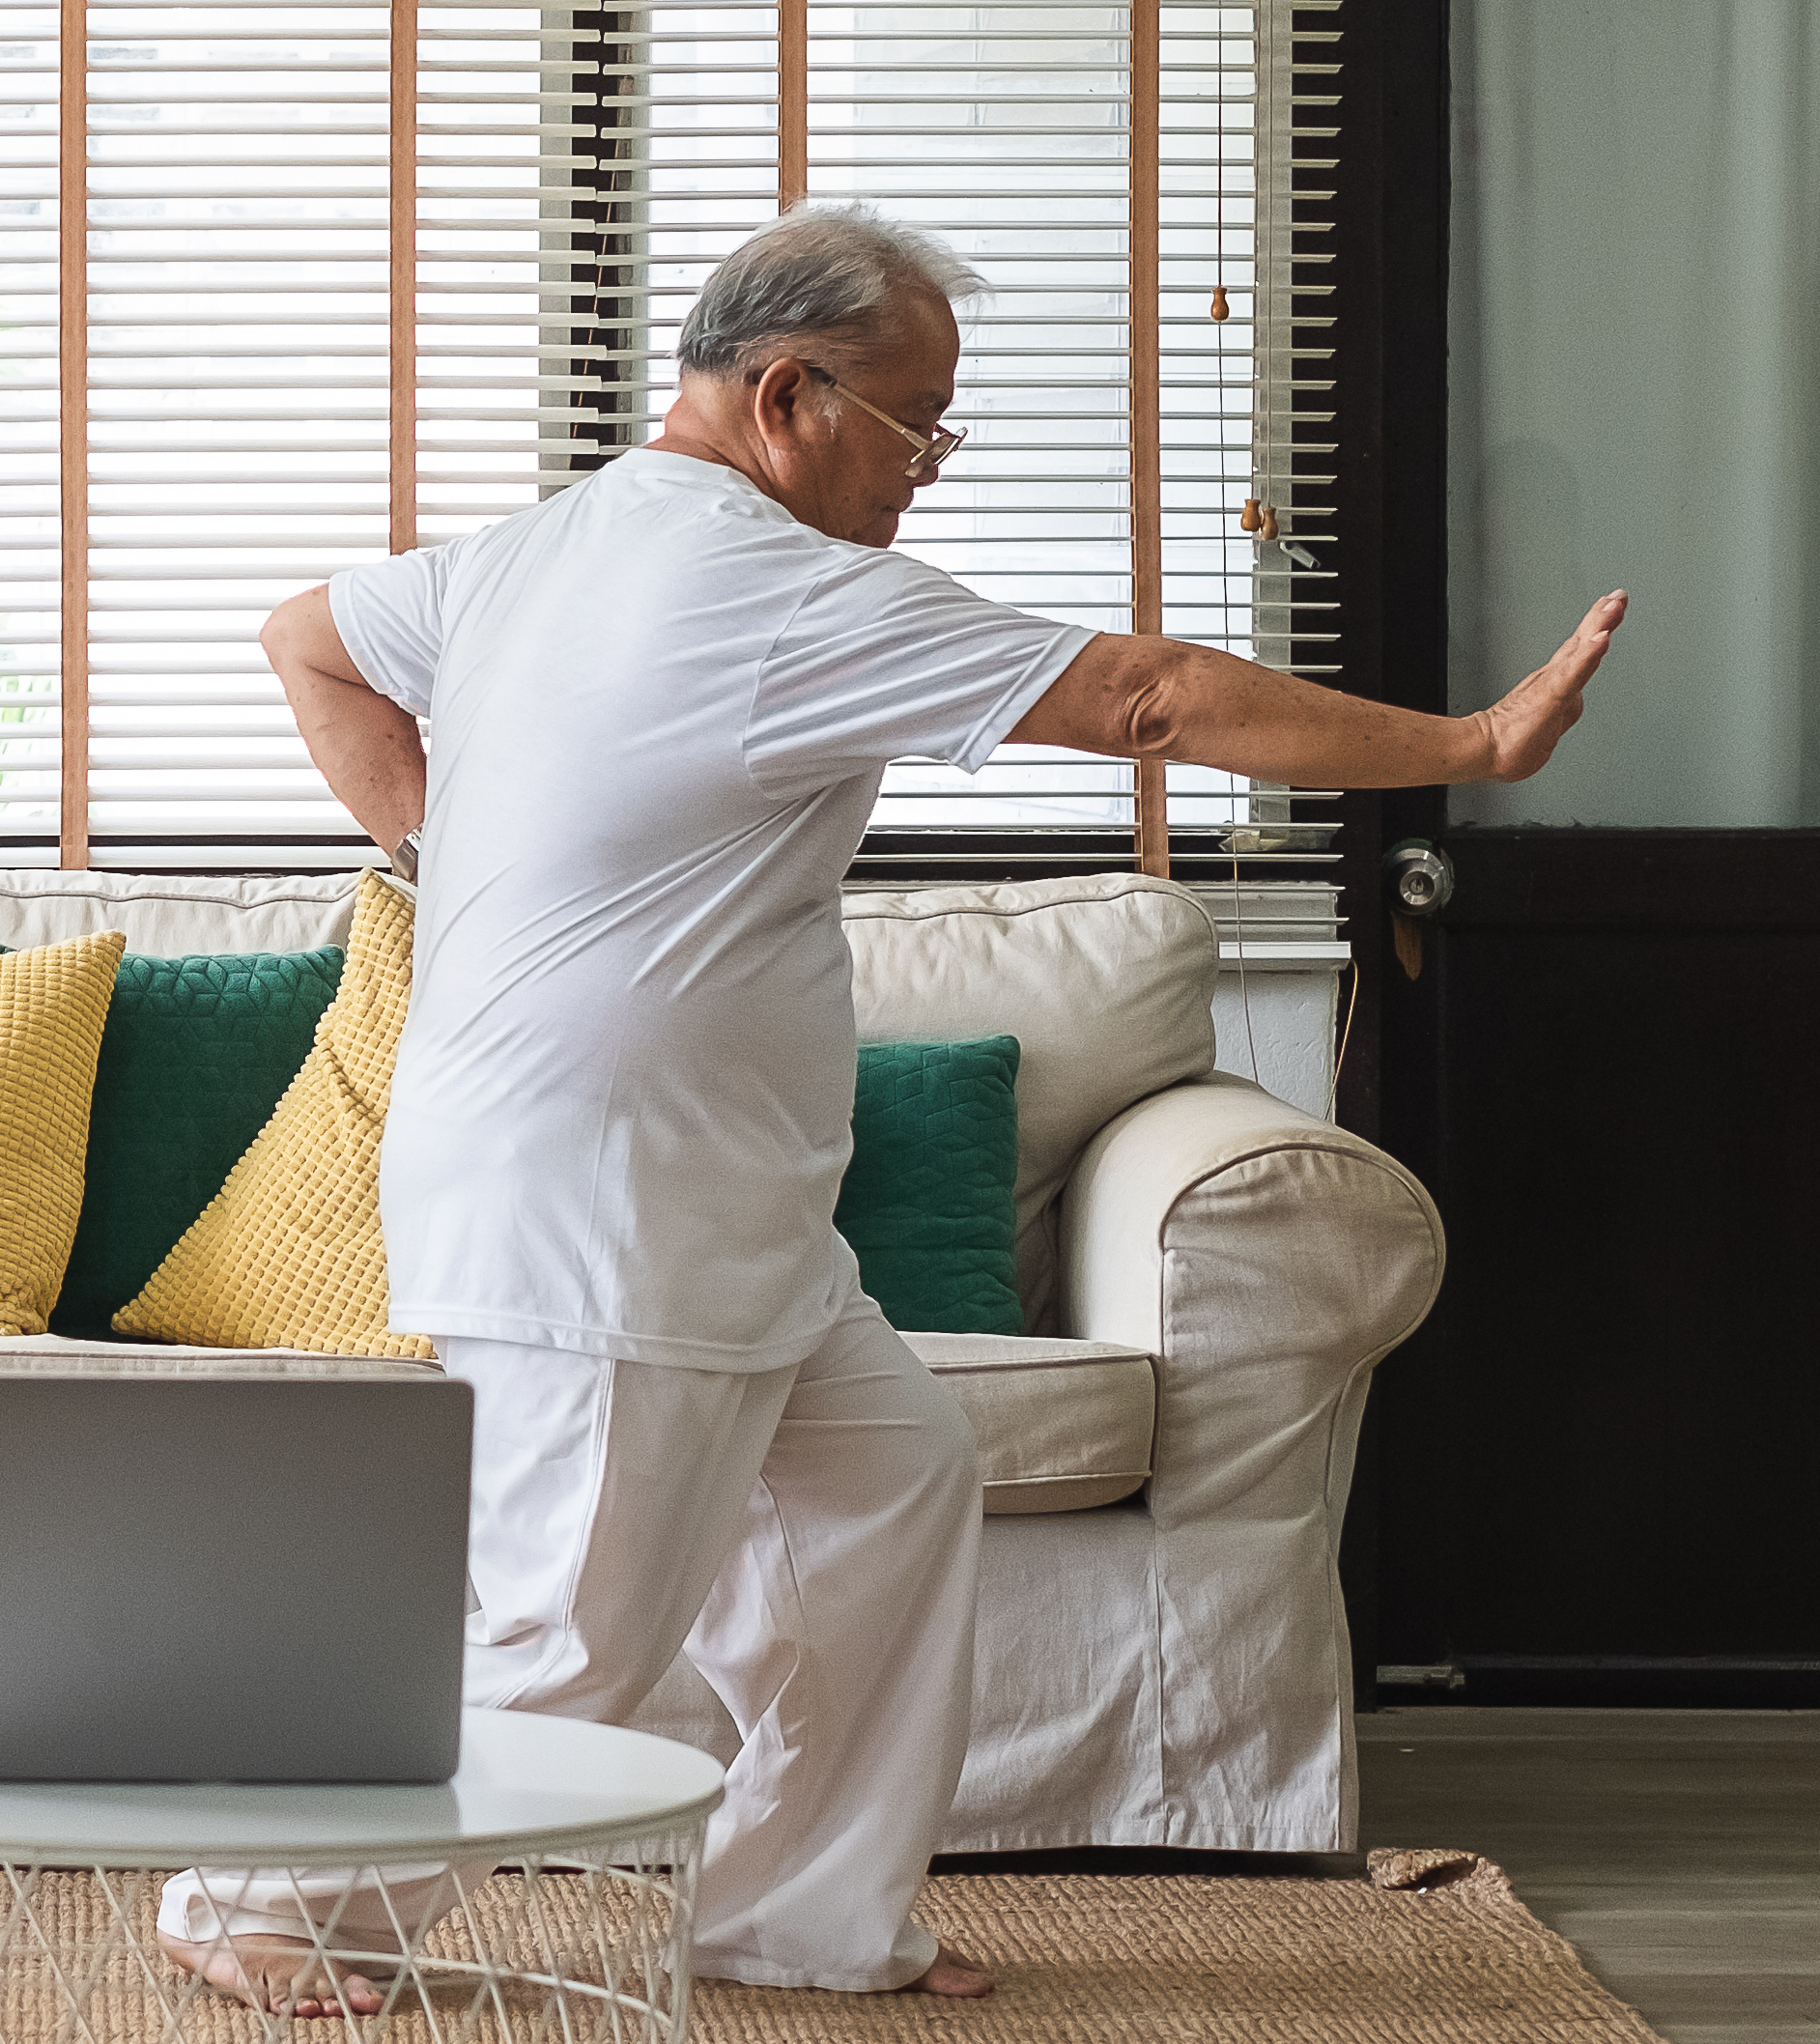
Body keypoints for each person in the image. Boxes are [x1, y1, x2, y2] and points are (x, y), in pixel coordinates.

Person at [157, 204, 1625, 2017]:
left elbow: (307, 638)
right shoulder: (769, 591)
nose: (929, 466)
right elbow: (1148, 695)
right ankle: (259, 1898)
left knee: (886, 1495)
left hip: (720, 1204)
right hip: (609, 1204)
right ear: (787, 395)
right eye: (915, 424)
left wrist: (450, 853)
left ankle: (795, 1914)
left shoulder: (543, 548)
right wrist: (1471, 746)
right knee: (574, 1633)